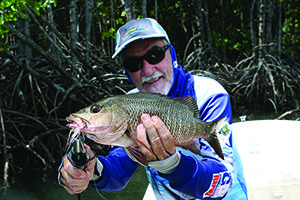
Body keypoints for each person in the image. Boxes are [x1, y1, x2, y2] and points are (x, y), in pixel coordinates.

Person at [59, 18, 248, 199]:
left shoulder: (210, 94)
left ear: (171, 54)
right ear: (127, 71)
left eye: (155, 55)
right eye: (134, 64)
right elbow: (118, 170)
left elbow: (222, 182)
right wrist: (92, 170)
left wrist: (173, 165)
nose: (147, 70)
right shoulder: (130, 103)